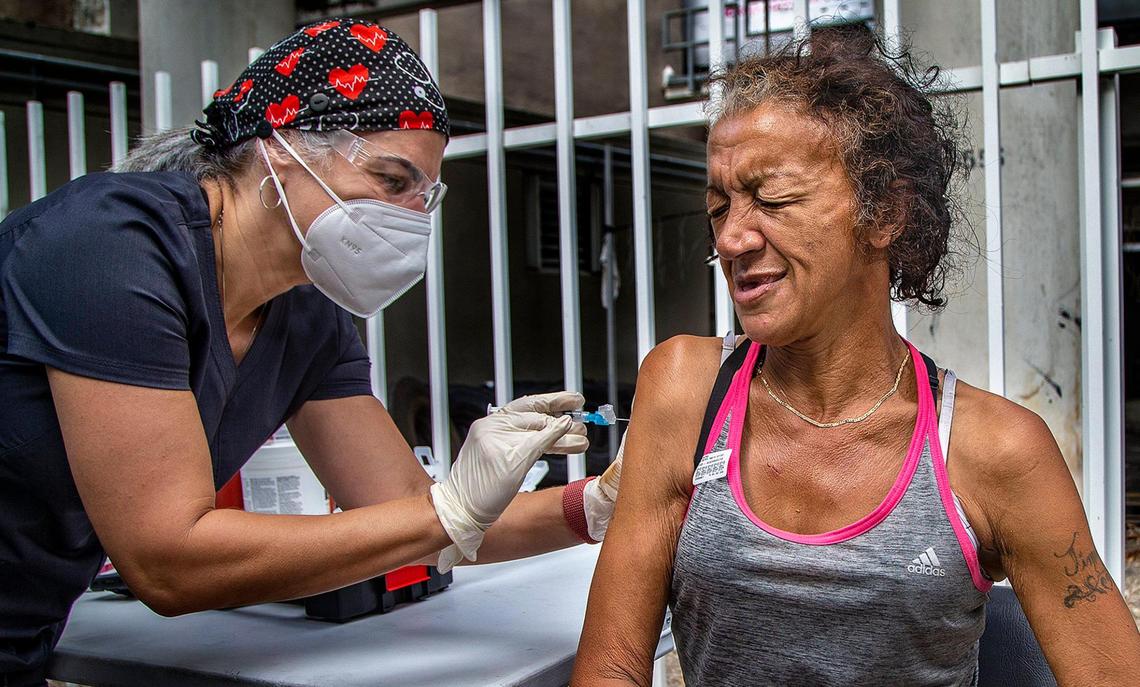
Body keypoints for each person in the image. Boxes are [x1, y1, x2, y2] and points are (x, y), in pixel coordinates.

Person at [0, 20, 620, 686]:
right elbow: (166, 559)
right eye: (391, 180)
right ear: (281, 148)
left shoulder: (306, 314)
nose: (413, 219)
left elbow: (411, 512)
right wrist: (445, 513)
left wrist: (597, 502)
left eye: (425, 196)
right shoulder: (113, 244)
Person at [572, 26, 1140, 686]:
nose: (730, 237)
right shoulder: (684, 391)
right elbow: (610, 665)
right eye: (718, 205)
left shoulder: (996, 451)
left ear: (885, 214)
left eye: (772, 198)